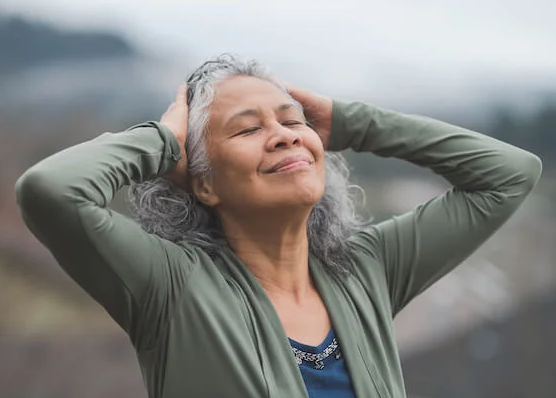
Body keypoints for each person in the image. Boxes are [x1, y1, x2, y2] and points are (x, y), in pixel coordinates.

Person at [15, 54, 542, 398]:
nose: (284, 136)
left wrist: (354, 122)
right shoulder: (170, 286)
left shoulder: (367, 269)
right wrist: (164, 139)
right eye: (247, 129)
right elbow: (50, 190)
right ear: (205, 184)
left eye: (293, 122)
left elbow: (508, 175)